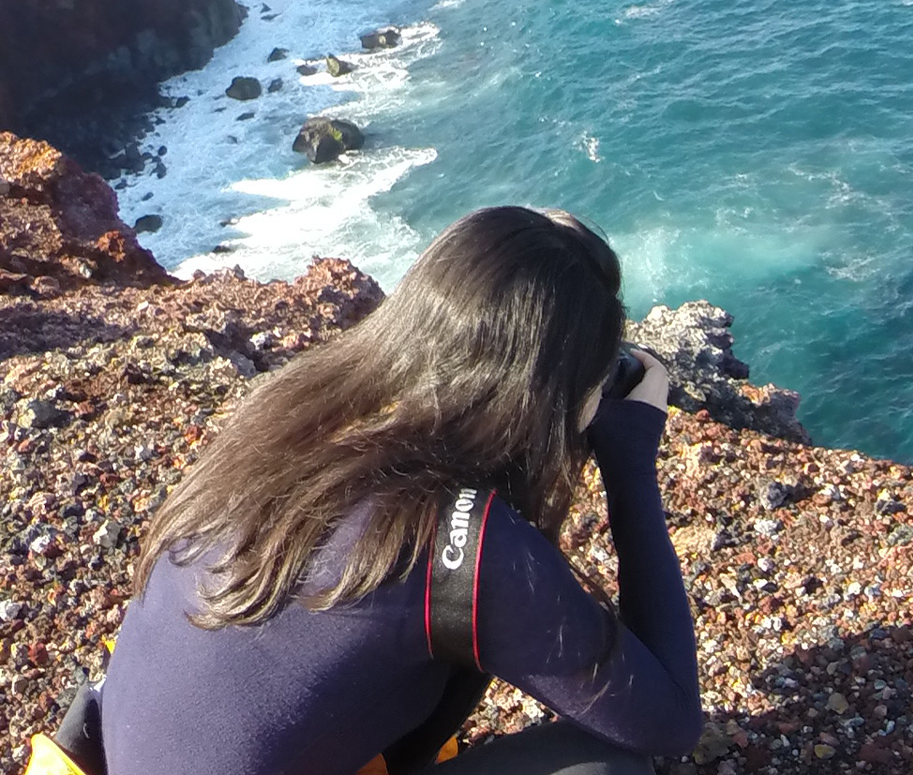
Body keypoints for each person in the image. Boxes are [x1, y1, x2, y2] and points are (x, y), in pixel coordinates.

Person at [96, 207, 703, 775]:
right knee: (607, 769)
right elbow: (669, 720)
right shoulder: (455, 542)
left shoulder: (281, 420)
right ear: (549, 399)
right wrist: (631, 463)